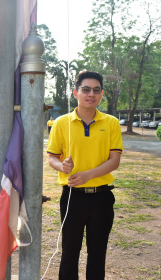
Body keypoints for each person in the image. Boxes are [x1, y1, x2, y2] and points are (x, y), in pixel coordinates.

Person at [47, 71, 123, 279]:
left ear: (101, 94)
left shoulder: (111, 123)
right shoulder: (62, 123)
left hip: (102, 198)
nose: (91, 94)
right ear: (76, 93)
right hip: (73, 197)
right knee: (69, 253)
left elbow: (114, 161)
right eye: (86, 89)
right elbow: (52, 157)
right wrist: (62, 166)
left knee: (97, 253)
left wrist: (87, 175)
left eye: (96, 90)